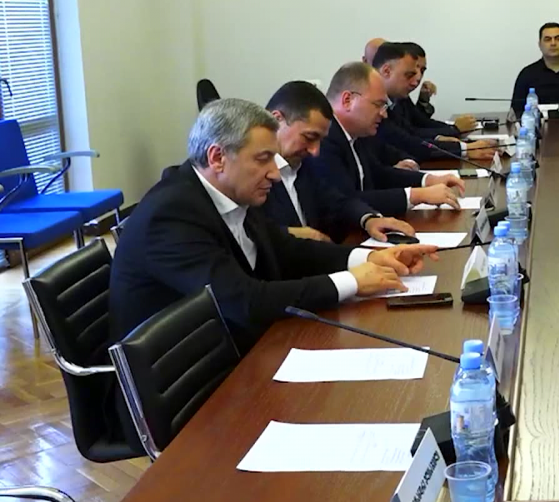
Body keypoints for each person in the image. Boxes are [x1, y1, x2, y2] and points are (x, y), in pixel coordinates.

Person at [109, 98, 437, 352]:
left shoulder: (234, 192)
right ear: (217, 158)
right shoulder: (169, 216)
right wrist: (351, 282)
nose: (276, 174)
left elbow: (285, 249)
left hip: (239, 350)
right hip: (187, 383)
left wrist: (369, 257)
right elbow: (243, 300)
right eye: (263, 159)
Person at [262, 80, 414, 243]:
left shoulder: (303, 165)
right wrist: (292, 233)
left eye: (320, 140)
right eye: (309, 137)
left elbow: (337, 201)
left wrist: (369, 219)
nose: (315, 151)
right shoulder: (251, 173)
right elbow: (255, 232)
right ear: (276, 120)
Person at [309, 61, 464, 216]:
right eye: (378, 105)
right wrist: (416, 195)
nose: (383, 114)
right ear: (347, 100)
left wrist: (427, 180)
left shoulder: (355, 132)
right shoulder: (323, 139)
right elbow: (346, 201)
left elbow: (378, 174)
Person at [371, 41, 493, 165]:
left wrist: (444, 139)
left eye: (421, 71)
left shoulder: (396, 98)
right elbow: (406, 142)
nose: (416, 81)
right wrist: (463, 145)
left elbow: (411, 133)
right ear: (386, 71)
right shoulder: (372, 106)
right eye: (409, 74)